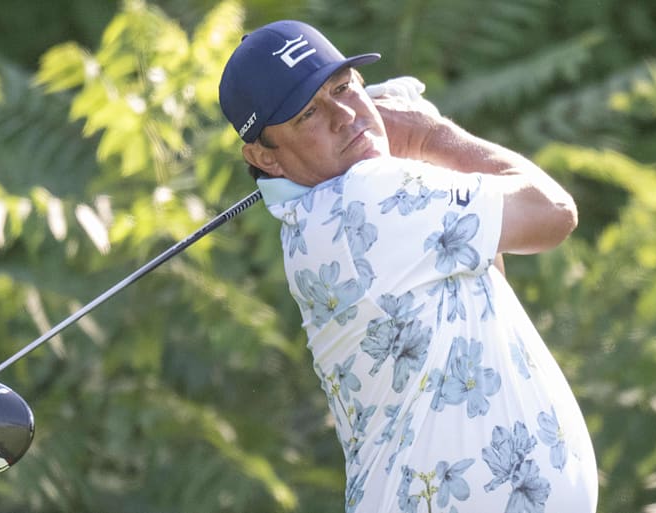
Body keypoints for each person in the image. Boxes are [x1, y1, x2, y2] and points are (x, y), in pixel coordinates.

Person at [218, 20, 598, 513]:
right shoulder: (368, 193)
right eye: (308, 113)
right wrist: (427, 134)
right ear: (265, 158)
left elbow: (488, 270)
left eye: (343, 87)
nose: (344, 115)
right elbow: (553, 213)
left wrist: (416, 155)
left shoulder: (317, 216)